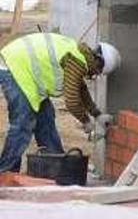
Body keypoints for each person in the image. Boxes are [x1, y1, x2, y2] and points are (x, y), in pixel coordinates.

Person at [0, 33, 120, 172]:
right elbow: (72, 101)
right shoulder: (76, 61)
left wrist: (97, 114)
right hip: (14, 68)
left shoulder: (81, 55)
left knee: (46, 118)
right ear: (99, 62)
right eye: (99, 71)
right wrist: (86, 121)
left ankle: (57, 167)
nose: (96, 74)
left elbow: (80, 88)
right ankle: (5, 172)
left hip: (25, 72)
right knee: (23, 122)